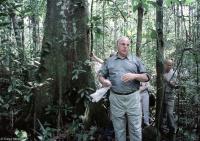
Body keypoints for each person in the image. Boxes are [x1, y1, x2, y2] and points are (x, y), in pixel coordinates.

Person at [98, 36, 150, 141]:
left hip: (133, 98)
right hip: (116, 98)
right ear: (117, 45)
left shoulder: (136, 60)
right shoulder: (109, 61)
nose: (125, 47)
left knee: (135, 128)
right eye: (122, 44)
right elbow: (100, 75)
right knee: (119, 129)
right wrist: (104, 81)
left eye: (127, 45)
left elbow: (146, 77)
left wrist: (134, 76)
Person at [161, 59, 177, 134]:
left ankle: (172, 130)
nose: (169, 66)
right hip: (161, 96)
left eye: (171, 65)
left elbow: (174, 85)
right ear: (164, 65)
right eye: (168, 65)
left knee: (170, 113)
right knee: (163, 113)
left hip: (170, 96)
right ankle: (163, 129)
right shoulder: (161, 72)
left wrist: (166, 79)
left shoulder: (174, 73)